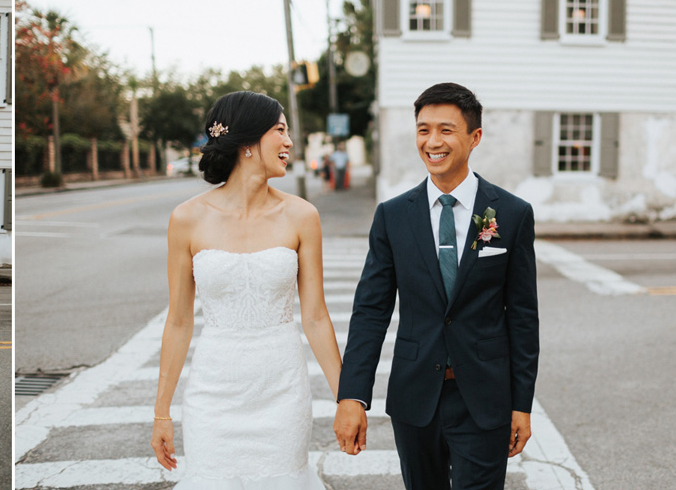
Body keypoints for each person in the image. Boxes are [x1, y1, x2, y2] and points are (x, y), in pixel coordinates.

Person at [333, 82, 539, 490]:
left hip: (483, 398)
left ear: (474, 137)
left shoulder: (511, 214)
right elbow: (371, 311)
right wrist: (351, 396)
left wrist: (521, 404)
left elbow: (522, 316)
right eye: (423, 130)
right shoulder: (393, 216)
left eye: (446, 130)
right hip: (414, 397)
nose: (433, 142)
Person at [150, 91, 342, 488]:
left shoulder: (303, 216)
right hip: (214, 391)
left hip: (282, 389)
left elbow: (316, 317)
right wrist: (162, 413)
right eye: (280, 130)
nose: (289, 142)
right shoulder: (186, 219)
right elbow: (179, 321)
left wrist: (347, 399)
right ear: (249, 143)